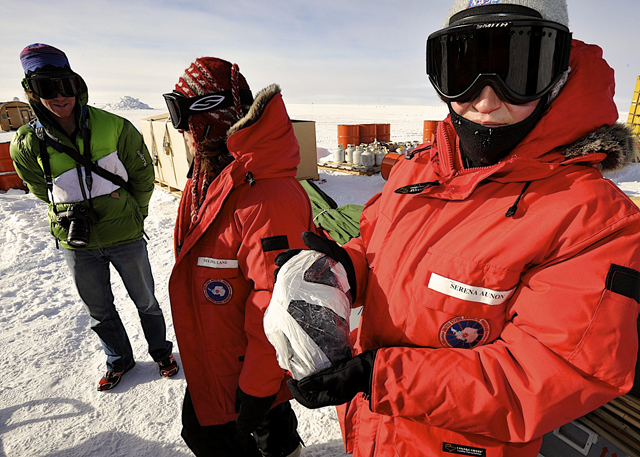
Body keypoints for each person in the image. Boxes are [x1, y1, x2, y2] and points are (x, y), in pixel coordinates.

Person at [276, 1, 640, 456]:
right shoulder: (417, 171)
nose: (486, 100)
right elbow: (375, 242)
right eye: (464, 69)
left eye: (520, 70)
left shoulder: (594, 221)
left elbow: (547, 377)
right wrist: (342, 269)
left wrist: (378, 376)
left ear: (558, 74)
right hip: (374, 434)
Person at [166, 57, 313, 457]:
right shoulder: (209, 175)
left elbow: (279, 302)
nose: (183, 131)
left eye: (185, 114)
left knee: (212, 436)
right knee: (267, 427)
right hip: (220, 351)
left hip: (248, 366)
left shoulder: (265, 194)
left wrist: (257, 386)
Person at [10, 43, 178, 392]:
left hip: (126, 235)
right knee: (98, 309)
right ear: (31, 91)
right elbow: (41, 189)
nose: (59, 96)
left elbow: (142, 176)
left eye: (65, 85)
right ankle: (119, 360)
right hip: (76, 240)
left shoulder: (115, 126)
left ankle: (161, 352)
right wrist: (65, 211)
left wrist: (133, 212)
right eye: (46, 88)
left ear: (77, 84)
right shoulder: (26, 143)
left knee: (145, 300)